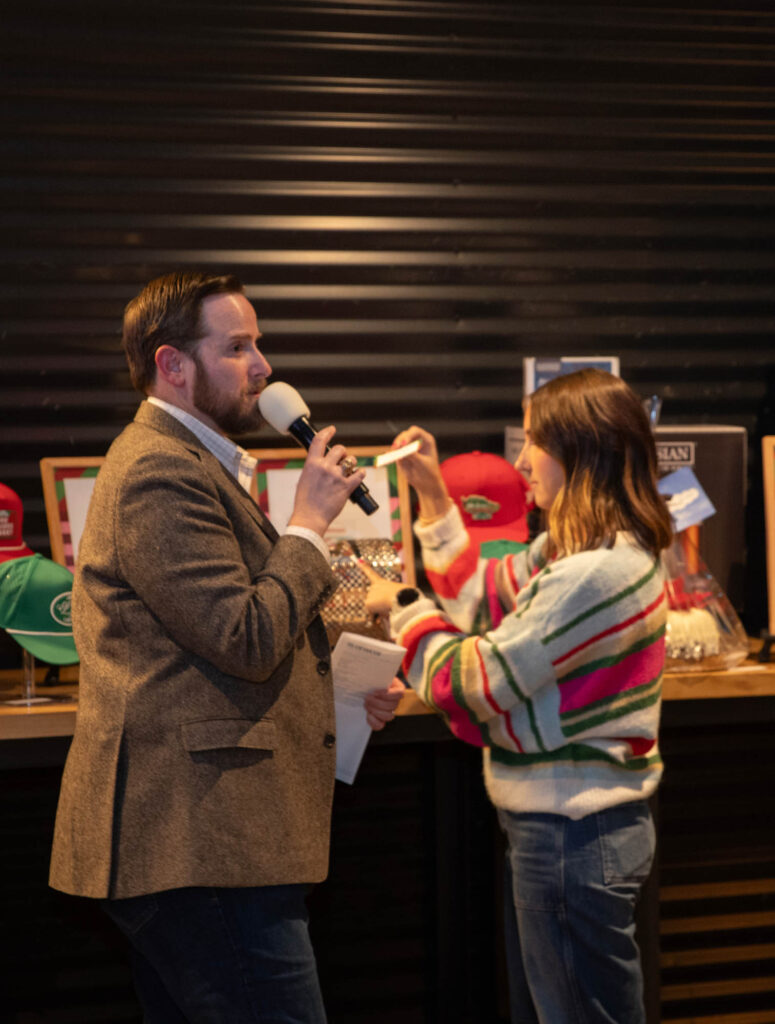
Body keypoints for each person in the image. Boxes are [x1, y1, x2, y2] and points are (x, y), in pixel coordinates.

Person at [49, 269, 401, 1024]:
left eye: (258, 344)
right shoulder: (157, 469)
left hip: (213, 842)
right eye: (237, 347)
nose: (263, 367)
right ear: (172, 364)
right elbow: (243, 637)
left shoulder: (195, 462)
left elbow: (227, 632)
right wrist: (309, 524)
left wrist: (344, 688)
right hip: (198, 841)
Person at [363, 368, 673, 1024]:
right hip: (567, 834)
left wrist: (402, 605)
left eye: (535, 441)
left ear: (581, 453)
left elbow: (473, 681)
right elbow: (479, 599)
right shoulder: (583, 552)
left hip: (572, 837)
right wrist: (432, 494)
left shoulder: (595, 572)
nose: (522, 460)